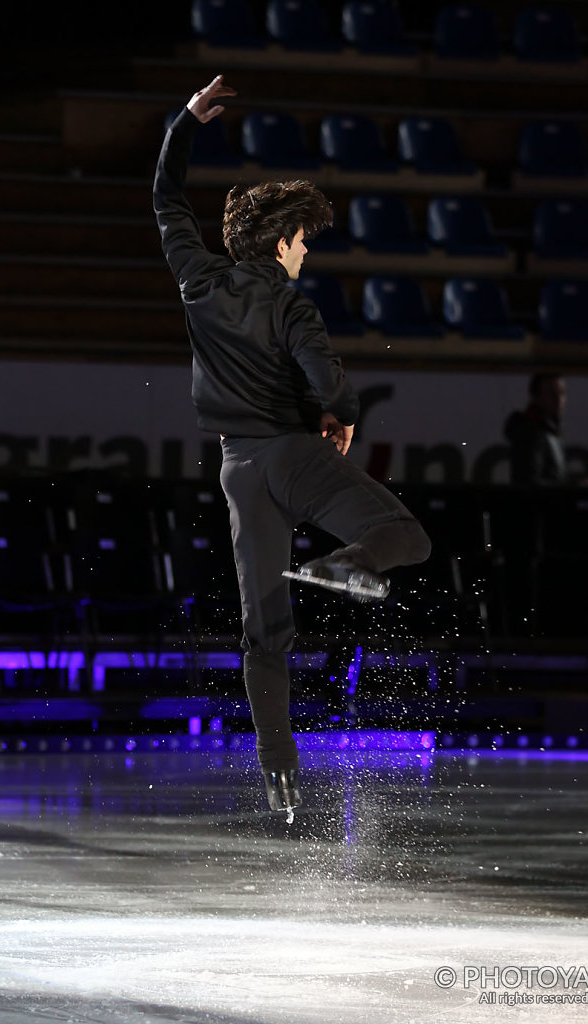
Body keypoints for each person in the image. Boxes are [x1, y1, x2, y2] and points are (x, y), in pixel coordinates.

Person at [154, 75, 431, 814]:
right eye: (303, 241)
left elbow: (164, 199)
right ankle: (345, 563)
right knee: (403, 535)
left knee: (264, 628)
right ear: (281, 243)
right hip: (292, 454)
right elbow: (326, 381)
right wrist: (340, 415)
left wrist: (184, 123)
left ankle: (279, 771)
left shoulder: (197, 282)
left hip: (237, 472)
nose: (305, 253)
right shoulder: (289, 304)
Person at [504, 372, 567, 485]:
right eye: (552, 393)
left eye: (562, 393)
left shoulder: (548, 431)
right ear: (536, 397)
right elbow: (528, 482)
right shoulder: (529, 433)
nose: (558, 399)